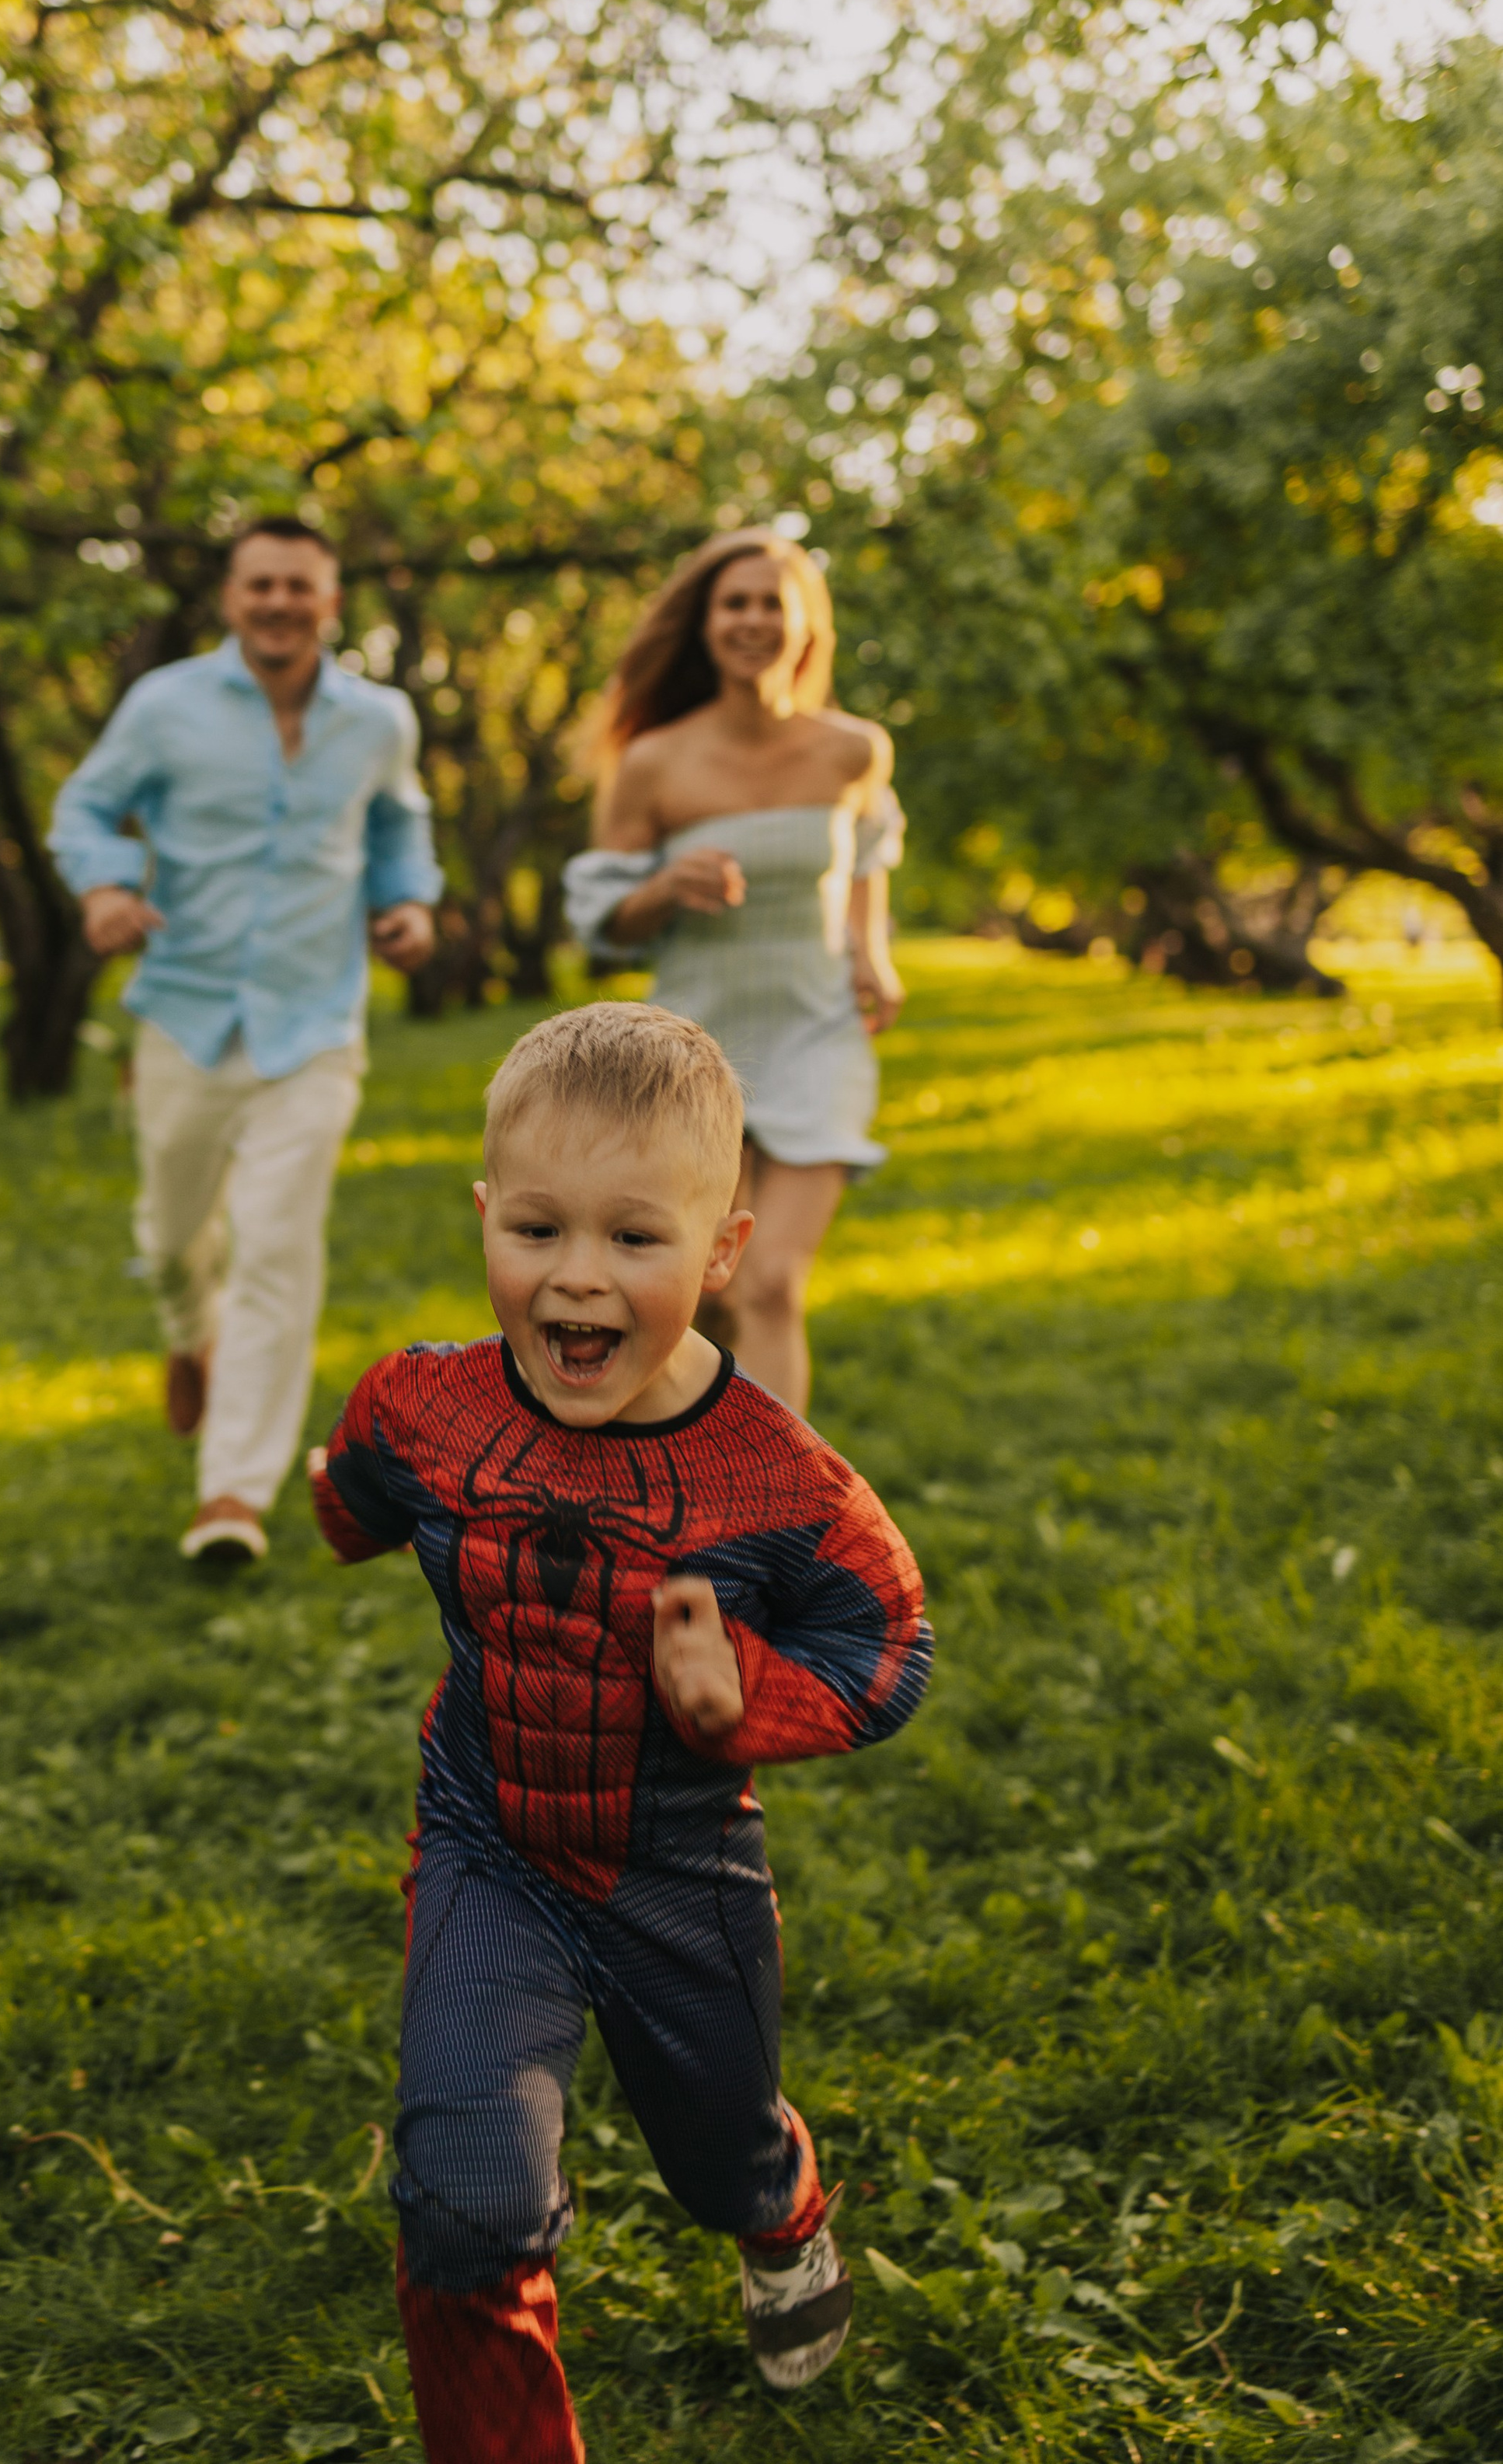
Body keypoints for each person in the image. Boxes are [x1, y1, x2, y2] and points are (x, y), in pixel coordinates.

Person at [309, 1002, 933, 2464]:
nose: (577, 1278)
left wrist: (747, 1703)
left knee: (717, 2142)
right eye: (537, 1230)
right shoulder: (428, 1404)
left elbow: (890, 1643)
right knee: (461, 2199)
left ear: (724, 1248)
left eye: (636, 1241)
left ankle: (778, 2207)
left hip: (677, 1863)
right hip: (486, 1838)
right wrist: (343, 1500)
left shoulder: (779, 1478)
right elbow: (366, 1486)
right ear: (485, 1218)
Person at [48, 519, 440, 1563]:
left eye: (299, 587)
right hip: (183, 1012)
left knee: (276, 1242)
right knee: (173, 1238)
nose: (279, 602)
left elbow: (399, 828)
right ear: (232, 598)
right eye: (260, 584)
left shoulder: (378, 720)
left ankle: (233, 1493)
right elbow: (85, 805)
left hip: (314, 1025)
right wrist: (101, 886)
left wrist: (408, 906)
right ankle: (188, 1333)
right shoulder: (166, 706)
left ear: (330, 599)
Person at [562, 528, 905, 1417]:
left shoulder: (852, 750)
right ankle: (674, 1472)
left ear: (804, 626)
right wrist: (664, 887)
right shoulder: (656, 761)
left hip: (817, 1032)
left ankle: (774, 1516)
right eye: (734, 603)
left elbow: (868, 850)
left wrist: (870, 951)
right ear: (707, 625)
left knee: (772, 1285)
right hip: (695, 1049)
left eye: (770, 603)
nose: (752, 619)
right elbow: (597, 916)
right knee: (705, 1289)